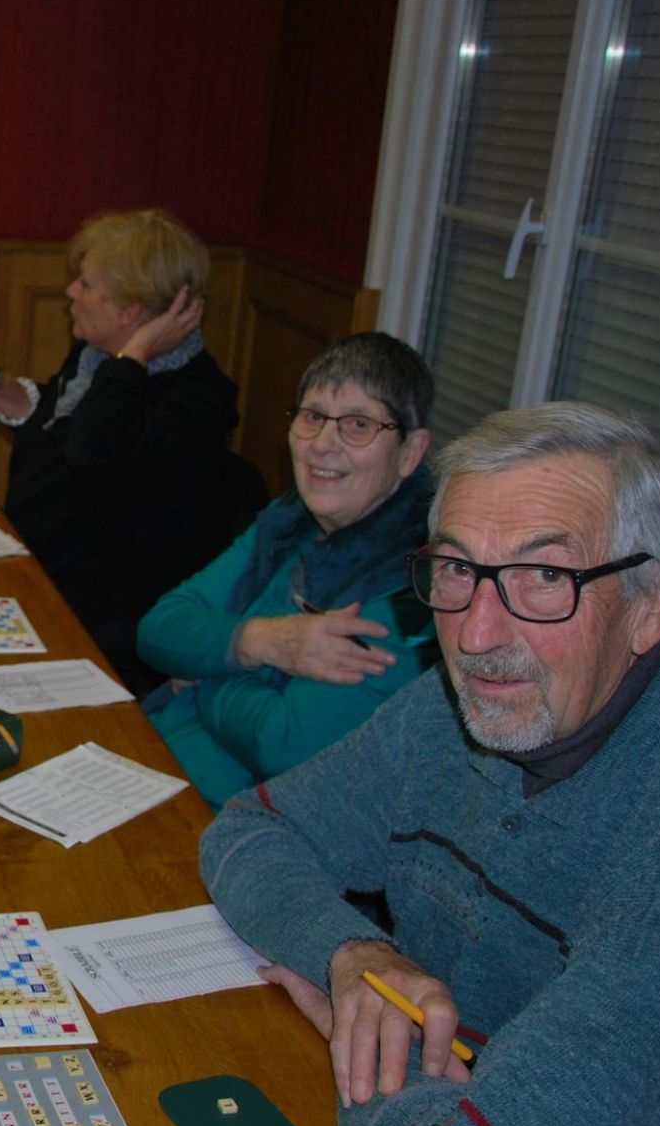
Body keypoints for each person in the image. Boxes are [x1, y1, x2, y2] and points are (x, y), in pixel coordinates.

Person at [200, 402, 660, 1126]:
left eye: (544, 578)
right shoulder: (463, 708)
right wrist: (353, 954)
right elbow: (251, 830)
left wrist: (376, 1051)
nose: (474, 633)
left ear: (655, 604)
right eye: (458, 569)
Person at [137, 333, 437, 808]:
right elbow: (157, 629)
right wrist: (262, 642)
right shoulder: (289, 521)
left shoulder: (412, 592)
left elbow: (282, 744)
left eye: (358, 425)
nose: (323, 445)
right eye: (313, 416)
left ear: (410, 452)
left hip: (227, 821)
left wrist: (207, 666)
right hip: (150, 759)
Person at [0, 209, 237, 693]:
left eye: (85, 284)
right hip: (37, 581)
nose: (70, 292)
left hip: (104, 631)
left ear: (129, 312)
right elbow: (61, 430)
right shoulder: (98, 361)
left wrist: (135, 353)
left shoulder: (193, 400)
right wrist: (0, 387)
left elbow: (91, 451)